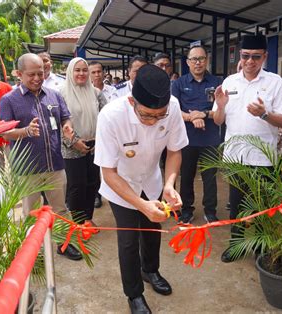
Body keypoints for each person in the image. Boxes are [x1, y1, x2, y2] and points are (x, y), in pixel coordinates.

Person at [94, 65, 188, 314]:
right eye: (147, 115)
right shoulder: (110, 116)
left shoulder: (174, 107)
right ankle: (134, 294)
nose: (154, 121)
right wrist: (140, 204)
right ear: (131, 100)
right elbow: (109, 172)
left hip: (152, 179)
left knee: (152, 229)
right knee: (128, 240)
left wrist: (169, 184)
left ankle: (150, 270)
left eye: (160, 115)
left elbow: (175, 150)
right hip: (120, 184)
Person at [212, 34, 282, 262]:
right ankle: (236, 245)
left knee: (261, 205)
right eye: (246, 56)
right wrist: (219, 106)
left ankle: (260, 245)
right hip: (235, 157)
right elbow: (219, 120)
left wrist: (264, 114)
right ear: (240, 56)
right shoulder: (229, 82)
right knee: (236, 205)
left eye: (256, 57)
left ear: (264, 57)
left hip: (263, 157)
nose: (250, 61)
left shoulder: (275, 82)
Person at [0, 53, 82, 261]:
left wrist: (67, 127)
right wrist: (25, 131)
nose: (37, 78)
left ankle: (64, 244)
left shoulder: (54, 95)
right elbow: (4, 133)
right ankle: (32, 254)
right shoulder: (9, 100)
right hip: (27, 168)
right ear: (19, 74)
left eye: (40, 73)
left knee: (61, 208)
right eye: (31, 75)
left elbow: (65, 117)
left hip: (54, 163)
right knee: (31, 212)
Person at [172, 45, 223, 224]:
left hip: (210, 139)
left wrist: (204, 114)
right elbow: (173, 110)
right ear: (187, 62)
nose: (198, 62)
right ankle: (186, 210)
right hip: (187, 139)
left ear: (206, 60)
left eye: (201, 58)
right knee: (186, 176)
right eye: (194, 59)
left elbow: (221, 109)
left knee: (210, 178)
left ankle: (210, 211)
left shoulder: (217, 83)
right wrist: (192, 117)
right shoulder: (179, 84)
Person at [60, 57, 107, 227]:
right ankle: (78, 223)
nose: (81, 73)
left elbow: (106, 116)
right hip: (72, 148)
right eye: (77, 70)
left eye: (84, 70)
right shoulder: (61, 94)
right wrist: (74, 141)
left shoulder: (95, 92)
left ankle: (88, 219)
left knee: (92, 183)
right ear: (70, 72)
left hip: (94, 146)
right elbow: (58, 124)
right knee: (76, 186)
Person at [89, 61, 115, 208]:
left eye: (99, 71)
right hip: (94, 136)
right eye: (93, 72)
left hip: (112, 135)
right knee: (94, 169)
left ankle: (116, 195)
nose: (97, 75)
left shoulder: (114, 91)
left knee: (113, 166)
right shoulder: (86, 92)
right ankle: (96, 196)